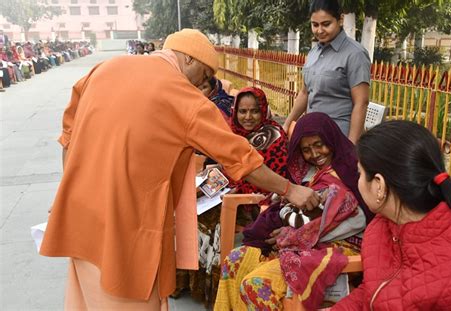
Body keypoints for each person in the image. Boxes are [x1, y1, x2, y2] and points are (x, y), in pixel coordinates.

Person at [40, 28, 319, 309]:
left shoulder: (104, 69)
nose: (202, 85)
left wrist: (70, 188)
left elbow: (68, 137)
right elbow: (241, 158)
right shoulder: (182, 96)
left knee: (86, 299)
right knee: (129, 297)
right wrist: (290, 189)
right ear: (190, 60)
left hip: (80, 214)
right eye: (204, 76)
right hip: (125, 227)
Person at [215, 112, 368, 311]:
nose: (314, 154)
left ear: (331, 139)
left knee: (256, 285)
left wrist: (294, 235)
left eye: (319, 144)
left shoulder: (351, 170)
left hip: (336, 247)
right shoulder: (307, 171)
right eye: (306, 149)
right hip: (296, 243)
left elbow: (358, 220)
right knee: (234, 261)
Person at [331, 120, 451, 310]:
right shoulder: (381, 226)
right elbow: (372, 292)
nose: (357, 181)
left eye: (359, 174)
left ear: (379, 185)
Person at [173, 86, 289, 307]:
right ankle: (187, 281)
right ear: (235, 112)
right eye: (242, 111)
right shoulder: (235, 134)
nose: (248, 117)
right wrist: (215, 175)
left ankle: (212, 290)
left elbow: (271, 177)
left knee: (209, 218)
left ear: (263, 111)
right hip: (231, 192)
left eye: (254, 111)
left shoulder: (273, 136)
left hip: (256, 202)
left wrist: (234, 185)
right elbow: (230, 168)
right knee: (188, 207)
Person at [283, 0, 371, 144]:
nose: (319, 30)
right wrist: (286, 125)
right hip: (312, 134)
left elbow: (361, 103)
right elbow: (305, 93)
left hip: (338, 135)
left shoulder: (355, 54)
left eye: (326, 24)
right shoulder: (313, 52)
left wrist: (351, 145)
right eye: (315, 25)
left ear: (340, 20)